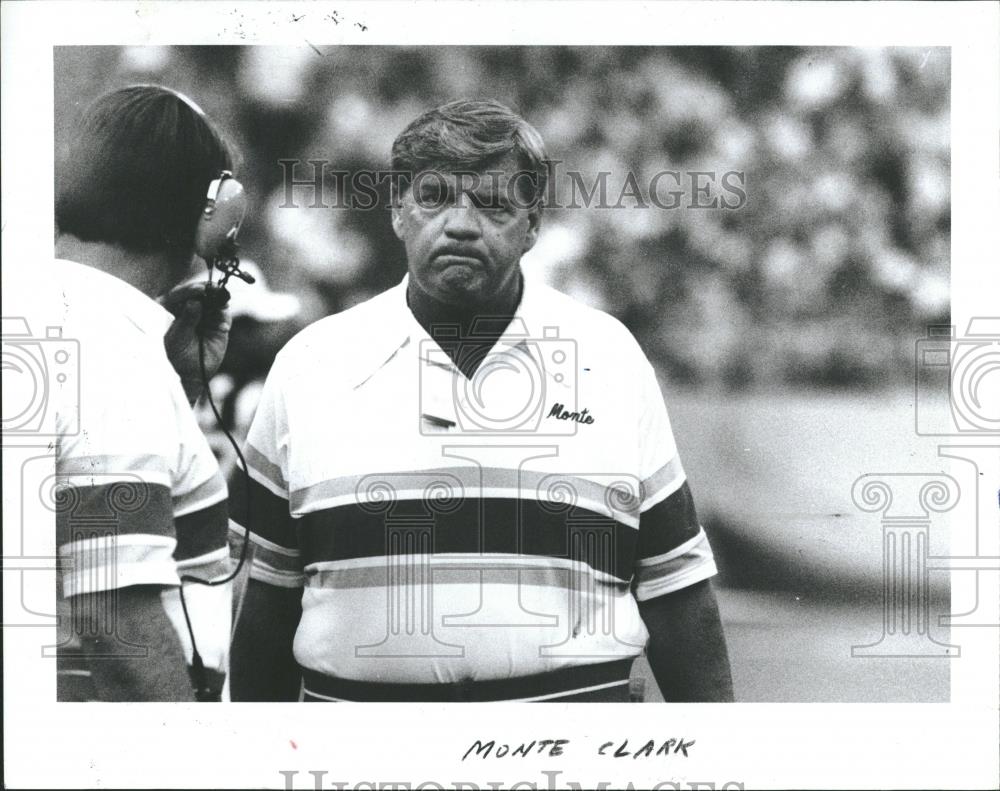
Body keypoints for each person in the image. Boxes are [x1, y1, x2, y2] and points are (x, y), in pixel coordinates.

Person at [230, 99, 734, 702]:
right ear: (397, 210)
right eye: (435, 196)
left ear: (533, 224)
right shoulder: (310, 366)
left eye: (493, 203)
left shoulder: (608, 357)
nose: (461, 224)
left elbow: (677, 592)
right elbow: (268, 602)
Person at [10, 85, 238, 700]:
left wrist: (179, 388)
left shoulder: (38, 312)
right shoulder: (113, 355)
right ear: (213, 218)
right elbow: (117, 620)